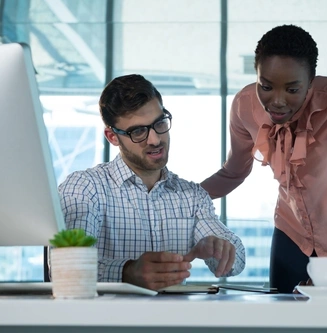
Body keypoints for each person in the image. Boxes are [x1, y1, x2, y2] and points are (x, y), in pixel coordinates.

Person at [201, 25, 327, 293]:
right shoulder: (244, 106)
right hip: (292, 228)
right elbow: (234, 172)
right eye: (267, 86)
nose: (277, 102)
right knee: (282, 312)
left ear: (311, 81)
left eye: (292, 90)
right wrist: (185, 195)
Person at [58, 74, 246, 291]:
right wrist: (127, 272)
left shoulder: (191, 196)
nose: (155, 139)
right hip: (105, 321)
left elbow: (237, 264)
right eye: (138, 131)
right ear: (112, 137)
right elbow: (66, 267)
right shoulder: (85, 188)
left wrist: (219, 248)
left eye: (159, 123)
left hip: (174, 322)